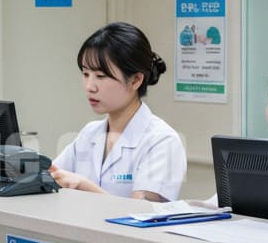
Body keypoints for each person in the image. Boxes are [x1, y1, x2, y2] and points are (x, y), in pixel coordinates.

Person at [49, 21, 186, 202]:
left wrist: (83, 185)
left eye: (101, 76)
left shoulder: (162, 140)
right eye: (85, 74)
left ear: (135, 80)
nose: (90, 86)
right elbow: (52, 175)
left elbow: (142, 214)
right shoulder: (89, 133)